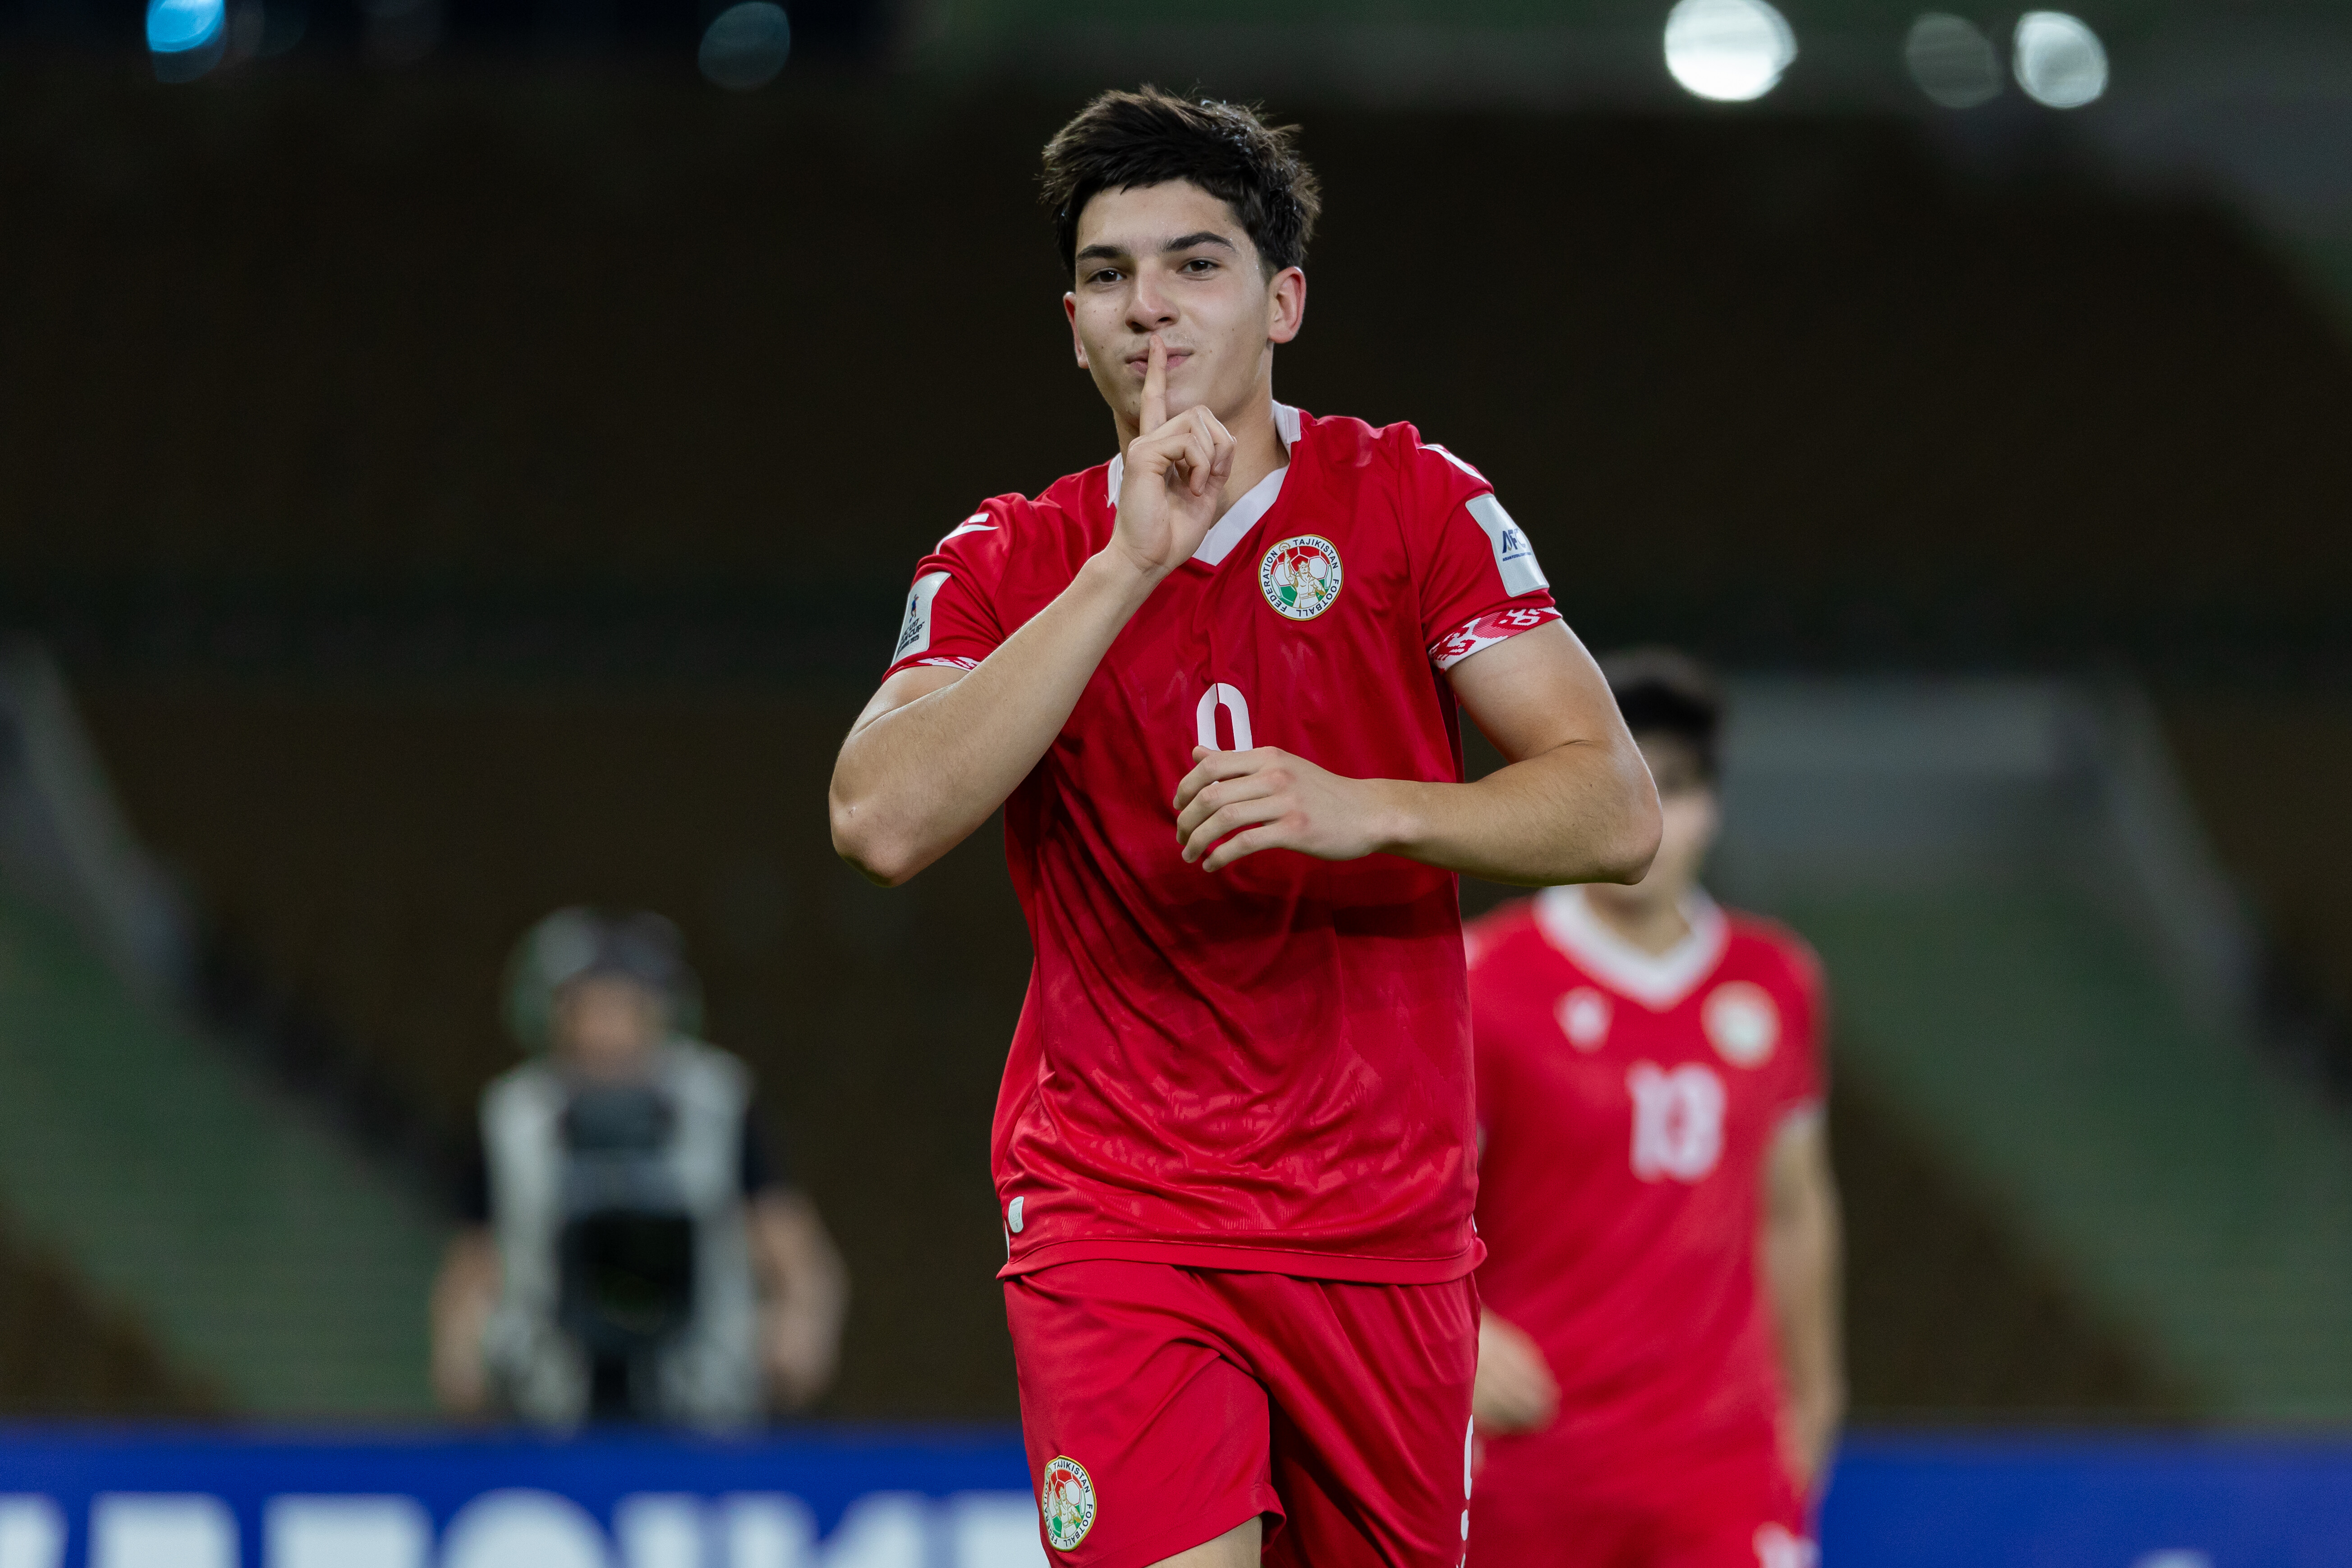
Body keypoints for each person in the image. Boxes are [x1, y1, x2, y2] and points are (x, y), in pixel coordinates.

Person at [827, 88, 1661, 1568]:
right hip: (1119, 1209)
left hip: (1382, 1225)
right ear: (1072, 326)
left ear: (1283, 302)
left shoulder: (1413, 504)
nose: (1147, 305)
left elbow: (1613, 805)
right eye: (1107, 275)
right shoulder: (1009, 555)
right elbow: (879, 816)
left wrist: (1366, 808)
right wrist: (1124, 567)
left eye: (1195, 263)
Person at [1463, 651, 1844, 1568]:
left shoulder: (1776, 979)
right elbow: (1396, 1202)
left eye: (1671, 786)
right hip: (1532, 1463)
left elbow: (1793, 1208)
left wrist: (1817, 1395)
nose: (1644, 814)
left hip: (1719, 1465)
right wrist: (1457, 1333)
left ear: (1711, 805)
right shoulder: (1482, 977)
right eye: (1615, 781)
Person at [429, 908, 848, 1430]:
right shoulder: (513, 1119)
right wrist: (459, 1352)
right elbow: (474, 1261)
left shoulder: (717, 1105)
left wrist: (802, 1323)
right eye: (589, 1009)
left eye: (624, 1009)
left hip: (702, 1395)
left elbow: (788, 1240)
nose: (606, 1031)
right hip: (551, 1397)